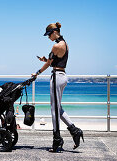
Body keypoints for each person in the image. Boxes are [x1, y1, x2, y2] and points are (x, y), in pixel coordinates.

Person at [32, 22, 84, 152]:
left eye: (49, 34)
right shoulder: (64, 44)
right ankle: (74, 130)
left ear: (54, 32)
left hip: (56, 77)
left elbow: (49, 64)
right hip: (62, 76)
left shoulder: (56, 46)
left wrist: (37, 72)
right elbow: (53, 61)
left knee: (54, 110)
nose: (48, 37)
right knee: (58, 108)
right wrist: (45, 60)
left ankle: (57, 139)